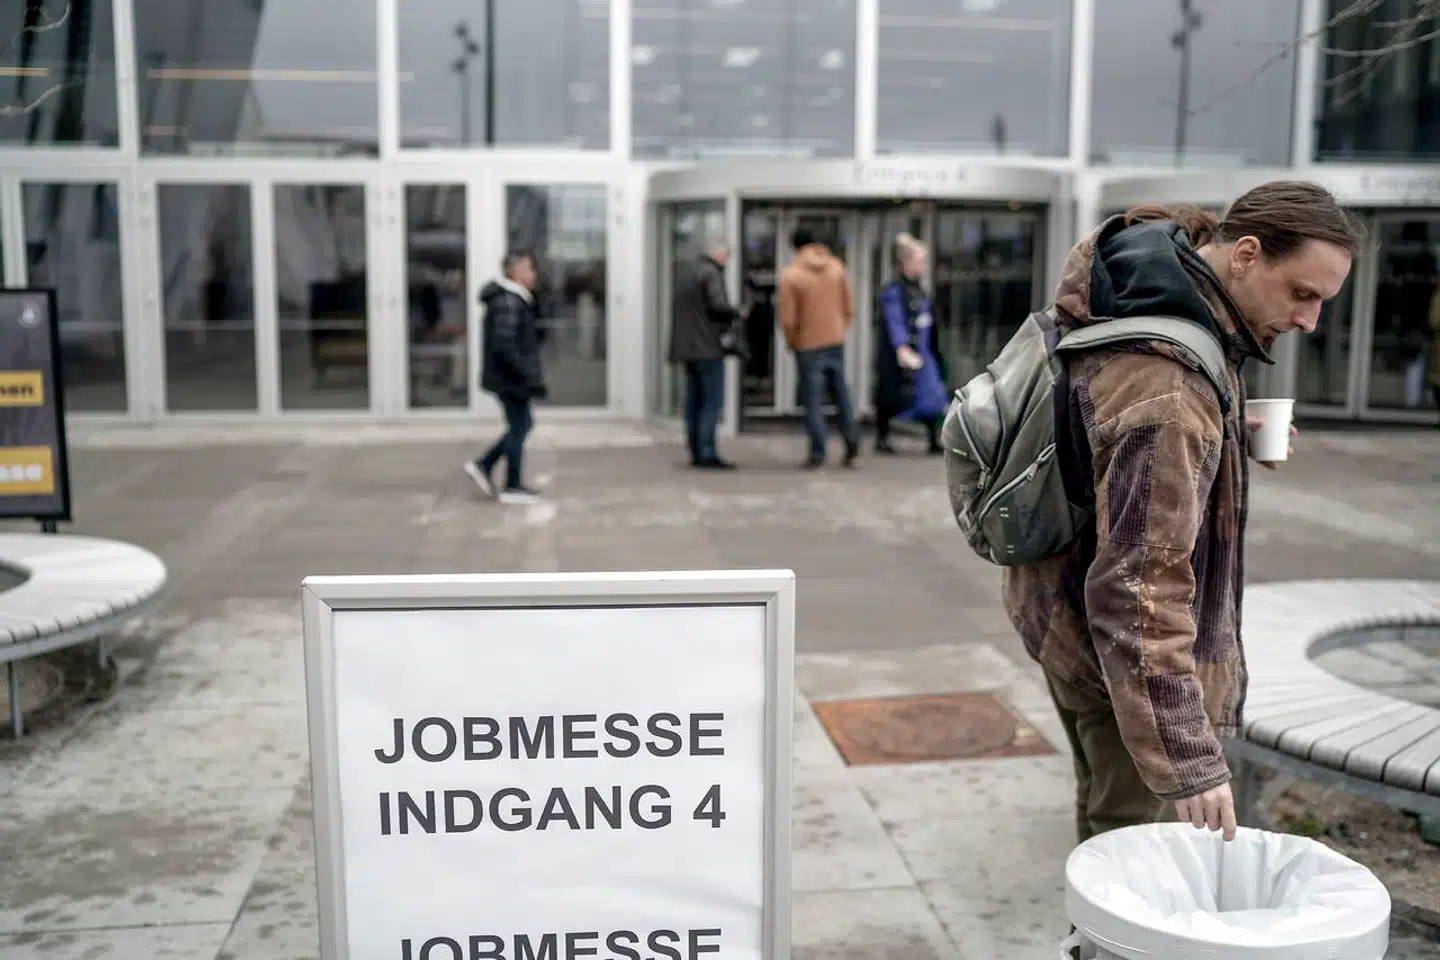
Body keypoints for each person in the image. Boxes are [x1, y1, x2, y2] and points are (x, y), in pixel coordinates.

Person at [1003, 181, 1361, 846]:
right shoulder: (1171, 387)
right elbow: (1140, 592)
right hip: (1114, 658)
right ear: (1246, 254)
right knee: (1135, 846)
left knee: (1103, 806)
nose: (1310, 321)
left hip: (1058, 611)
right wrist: (1187, 758)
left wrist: (1221, 428)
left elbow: (1103, 413)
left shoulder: (1144, 285)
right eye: (1302, 293)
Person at [464, 249, 546, 504]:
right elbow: (506, 345)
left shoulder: (515, 299)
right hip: (510, 379)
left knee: (521, 425)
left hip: (509, 377)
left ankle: (485, 466)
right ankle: (510, 484)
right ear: (516, 271)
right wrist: (526, 376)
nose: (534, 274)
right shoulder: (508, 302)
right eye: (530, 269)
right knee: (520, 426)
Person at [778, 225, 860, 469]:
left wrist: (793, 341)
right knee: (841, 395)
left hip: (807, 344)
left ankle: (818, 453)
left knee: (813, 400)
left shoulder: (791, 275)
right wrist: (839, 329)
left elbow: (788, 319)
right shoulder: (836, 267)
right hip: (835, 340)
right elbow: (848, 307)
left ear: (795, 247)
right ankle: (852, 447)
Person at [669, 240, 743, 469]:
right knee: (711, 402)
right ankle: (707, 452)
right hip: (707, 348)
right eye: (727, 256)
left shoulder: (686, 274)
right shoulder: (711, 273)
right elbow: (717, 305)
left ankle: (695, 450)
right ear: (718, 255)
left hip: (686, 348)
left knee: (693, 402)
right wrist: (737, 312)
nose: (727, 261)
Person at [873, 232, 948, 455]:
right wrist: (902, 347)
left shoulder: (920, 291)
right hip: (904, 353)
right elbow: (894, 320)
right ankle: (882, 437)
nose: (923, 265)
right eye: (920, 260)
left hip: (924, 353)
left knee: (931, 395)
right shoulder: (894, 291)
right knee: (891, 395)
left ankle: (932, 438)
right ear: (906, 262)